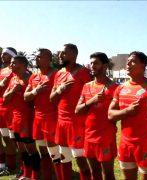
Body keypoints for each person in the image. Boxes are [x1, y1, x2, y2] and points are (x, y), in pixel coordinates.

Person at [108, 51, 147, 180]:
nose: (128, 63)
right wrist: (127, 111)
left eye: (133, 61)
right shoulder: (121, 88)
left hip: (145, 143)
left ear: (143, 65)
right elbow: (110, 115)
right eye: (127, 61)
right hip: (125, 143)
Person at [50, 43, 91, 180]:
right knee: (63, 157)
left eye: (63, 53)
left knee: (80, 160)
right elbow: (52, 98)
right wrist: (60, 89)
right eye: (60, 53)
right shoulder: (59, 74)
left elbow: (90, 98)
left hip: (77, 122)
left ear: (74, 55)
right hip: (61, 121)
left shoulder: (84, 73)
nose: (60, 55)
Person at [75, 52, 118, 180]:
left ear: (105, 66)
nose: (92, 66)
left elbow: (119, 113)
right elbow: (78, 110)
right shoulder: (87, 86)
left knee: (108, 174)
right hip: (89, 136)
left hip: (105, 137)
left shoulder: (115, 88)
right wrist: (91, 101)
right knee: (94, 172)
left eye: (96, 63)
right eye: (91, 63)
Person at [24, 48, 59, 180]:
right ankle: (47, 176)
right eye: (36, 57)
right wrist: (36, 91)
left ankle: (58, 175)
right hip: (38, 117)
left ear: (49, 59)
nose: (36, 59)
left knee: (53, 151)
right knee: (43, 150)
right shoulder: (34, 76)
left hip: (52, 117)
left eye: (39, 57)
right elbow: (26, 97)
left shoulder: (57, 75)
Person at [3, 55, 40, 179]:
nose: (11, 65)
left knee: (31, 150)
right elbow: (5, 100)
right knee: (22, 149)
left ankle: (34, 176)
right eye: (11, 63)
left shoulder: (31, 79)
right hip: (15, 119)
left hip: (27, 119)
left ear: (23, 65)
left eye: (14, 63)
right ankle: (25, 174)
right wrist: (13, 90)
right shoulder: (13, 79)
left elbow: (33, 101)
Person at [0, 47, 18, 176]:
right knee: (2, 137)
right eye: (2, 53)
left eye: (5, 54)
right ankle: (2, 164)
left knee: (11, 139)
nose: (2, 55)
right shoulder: (2, 70)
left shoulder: (16, 71)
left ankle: (13, 165)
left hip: (11, 109)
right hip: (0, 107)